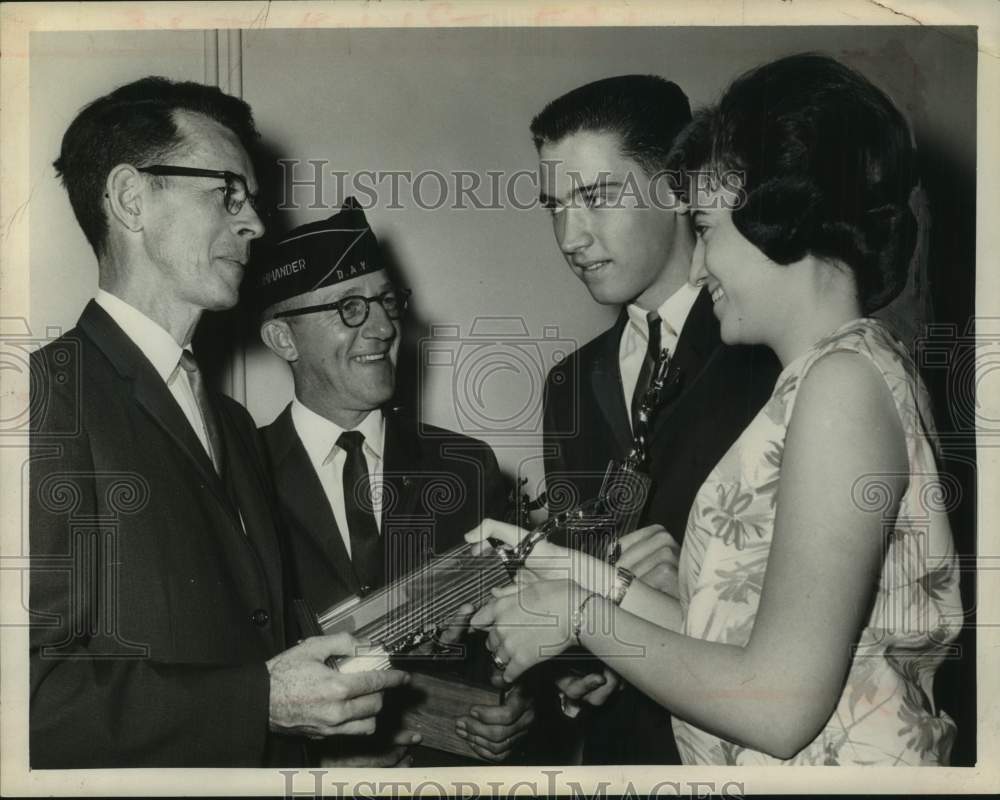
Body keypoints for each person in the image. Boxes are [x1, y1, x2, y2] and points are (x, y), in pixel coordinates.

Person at [470, 53, 963, 766]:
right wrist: (573, 580)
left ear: (776, 220)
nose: (697, 266)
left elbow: (783, 706)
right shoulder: (836, 373)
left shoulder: (842, 385)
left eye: (704, 229)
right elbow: (737, 634)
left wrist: (579, 613)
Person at [29, 77, 408, 768]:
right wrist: (257, 704)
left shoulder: (231, 422)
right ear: (130, 198)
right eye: (227, 193)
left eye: (253, 200)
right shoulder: (40, 401)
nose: (256, 224)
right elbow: (29, 697)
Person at [531, 75, 780, 763]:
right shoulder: (569, 386)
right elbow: (588, 574)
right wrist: (582, 668)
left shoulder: (770, 353)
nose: (569, 236)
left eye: (597, 197)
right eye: (554, 205)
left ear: (676, 188)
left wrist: (691, 589)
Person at [253, 200, 534, 764]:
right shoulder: (240, 475)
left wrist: (523, 702)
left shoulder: (466, 465)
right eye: (350, 307)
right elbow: (229, 685)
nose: (383, 327)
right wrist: (320, 763)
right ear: (284, 339)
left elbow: (511, 635)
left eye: (385, 301)